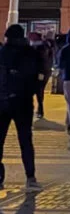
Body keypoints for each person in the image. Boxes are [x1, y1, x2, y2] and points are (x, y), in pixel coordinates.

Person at [0, 24, 42, 191]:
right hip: (23, 102)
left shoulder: (2, 53)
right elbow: (38, 76)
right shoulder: (30, 53)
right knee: (25, 140)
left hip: (2, 102)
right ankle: (30, 178)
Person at [28, 32, 53, 120]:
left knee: (38, 91)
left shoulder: (41, 47)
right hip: (43, 72)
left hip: (40, 72)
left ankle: (40, 110)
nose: (29, 38)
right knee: (38, 90)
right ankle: (39, 109)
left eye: (31, 37)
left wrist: (41, 73)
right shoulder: (45, 46)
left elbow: (42, 61)